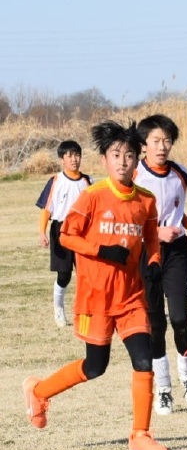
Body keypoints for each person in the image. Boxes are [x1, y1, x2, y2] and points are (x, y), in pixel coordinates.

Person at [22, 121, 167, 450]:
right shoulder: (92, 196)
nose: (122, 161)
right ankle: (39, 392)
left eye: (129, 155)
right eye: (116, 155)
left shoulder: (145, 200)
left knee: (143, 360)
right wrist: (102, 250)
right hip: (96, 300)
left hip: (131, 298)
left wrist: (155, 262)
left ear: (137, 159)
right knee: (95, 367)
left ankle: (140, 435)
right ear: (104, 160)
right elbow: (65, 236)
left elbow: (151, 238)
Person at [133, 114, 187, 415]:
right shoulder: (133, 175)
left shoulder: (181, 174)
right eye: (155, 141)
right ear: (144, 144)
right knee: (154, 324)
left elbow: (175, 209)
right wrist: (155, 233)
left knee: (179, 317)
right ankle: (163, 387)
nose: (162, 146)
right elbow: (127, 219)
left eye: (167, 140)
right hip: (144, 252)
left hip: (176, 252)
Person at [35, 140, 92, 328]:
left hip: (83, 231)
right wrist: (42, 232)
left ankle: (85, 311)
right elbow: (46, 209)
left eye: (77, 155)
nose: (74, 159)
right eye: (70, 155)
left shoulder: (88, 181)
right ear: (62, 159)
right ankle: (58, 308)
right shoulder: (56, 181)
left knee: (86, 274)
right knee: (64, 275)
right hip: (61, 230)